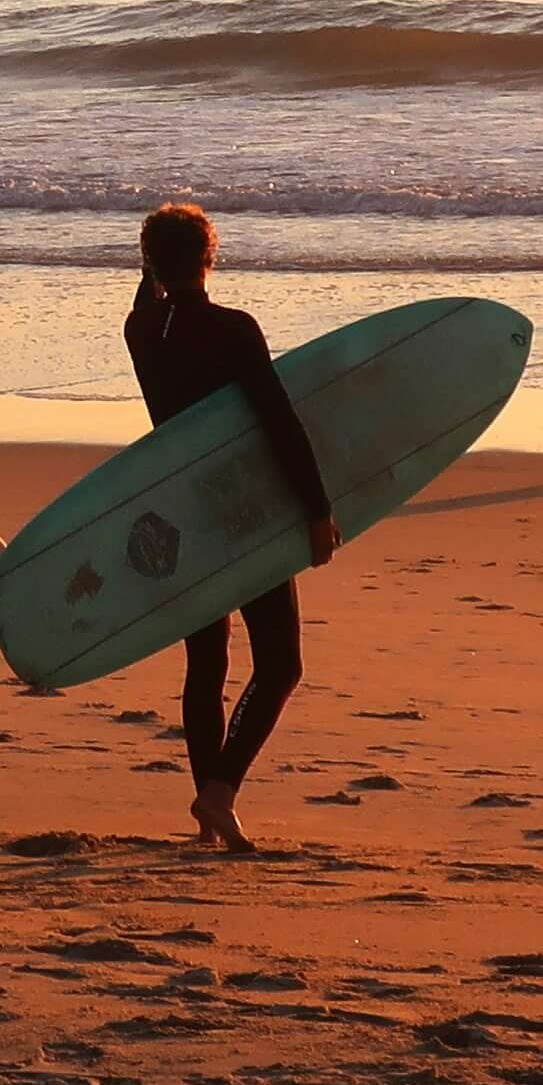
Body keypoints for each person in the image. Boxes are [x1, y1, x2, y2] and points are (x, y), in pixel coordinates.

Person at [124, 203, 342, 855]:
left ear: (152, 262)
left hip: (183, 514)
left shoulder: (141, 331)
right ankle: (219, 792)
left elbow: (147, 302)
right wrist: (317, 508)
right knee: (279, 665)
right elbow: (279, 422)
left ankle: (206, 816)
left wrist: (148, 269)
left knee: (206, 663)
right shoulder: (234, 329)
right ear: (210, 256)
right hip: (246, 510)